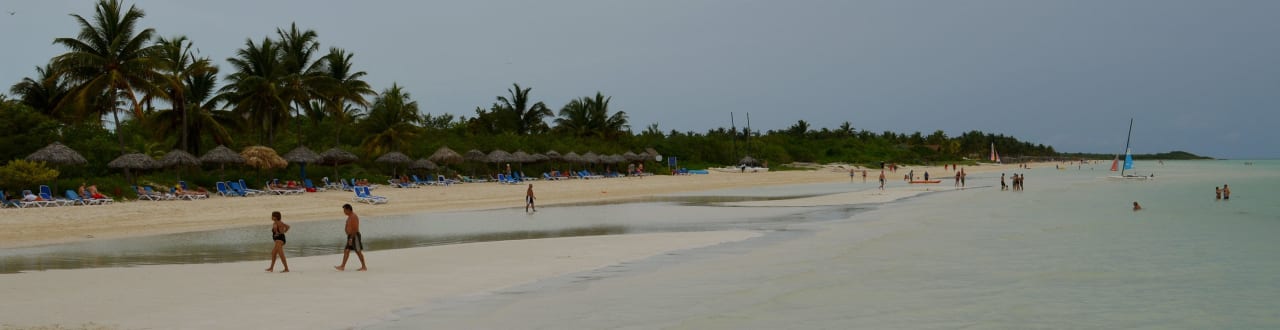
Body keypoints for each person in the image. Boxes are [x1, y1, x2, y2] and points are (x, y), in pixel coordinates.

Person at [335, 204, 367, 271]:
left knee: (358, 251)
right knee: (346, 251)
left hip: (355, 236)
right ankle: (342, 266)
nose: (344, 212)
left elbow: (355, 229)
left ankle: (364, 267)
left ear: (348, 209)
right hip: (350, 236)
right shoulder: (349, 217)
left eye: (344, 210)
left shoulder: (353, 216)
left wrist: (351, 238)